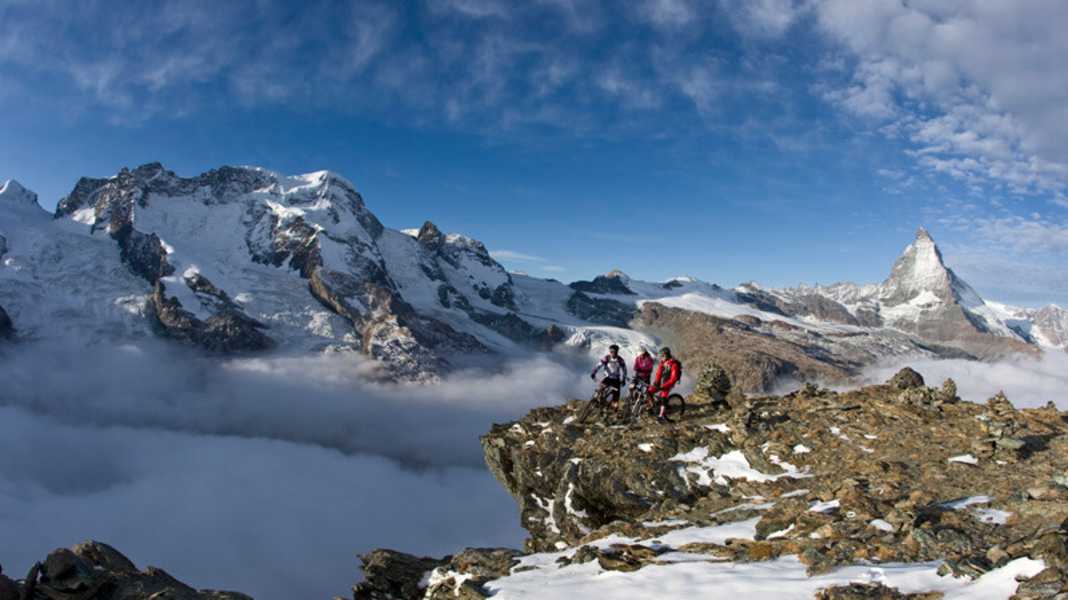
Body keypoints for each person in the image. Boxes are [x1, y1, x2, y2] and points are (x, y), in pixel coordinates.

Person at [649, 347, 682, 422]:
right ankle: (653, 407)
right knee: (649, 391)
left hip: (669, 383)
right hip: (662, 382)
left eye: (663, 356)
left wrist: (663, 386)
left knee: (663, 398)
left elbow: (673, 378)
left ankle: (661, 417)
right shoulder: (662, 363)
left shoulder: (674, 364)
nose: (662, 357)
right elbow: (658, 373)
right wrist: (656, 383)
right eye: (661, 356)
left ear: (667, 355)